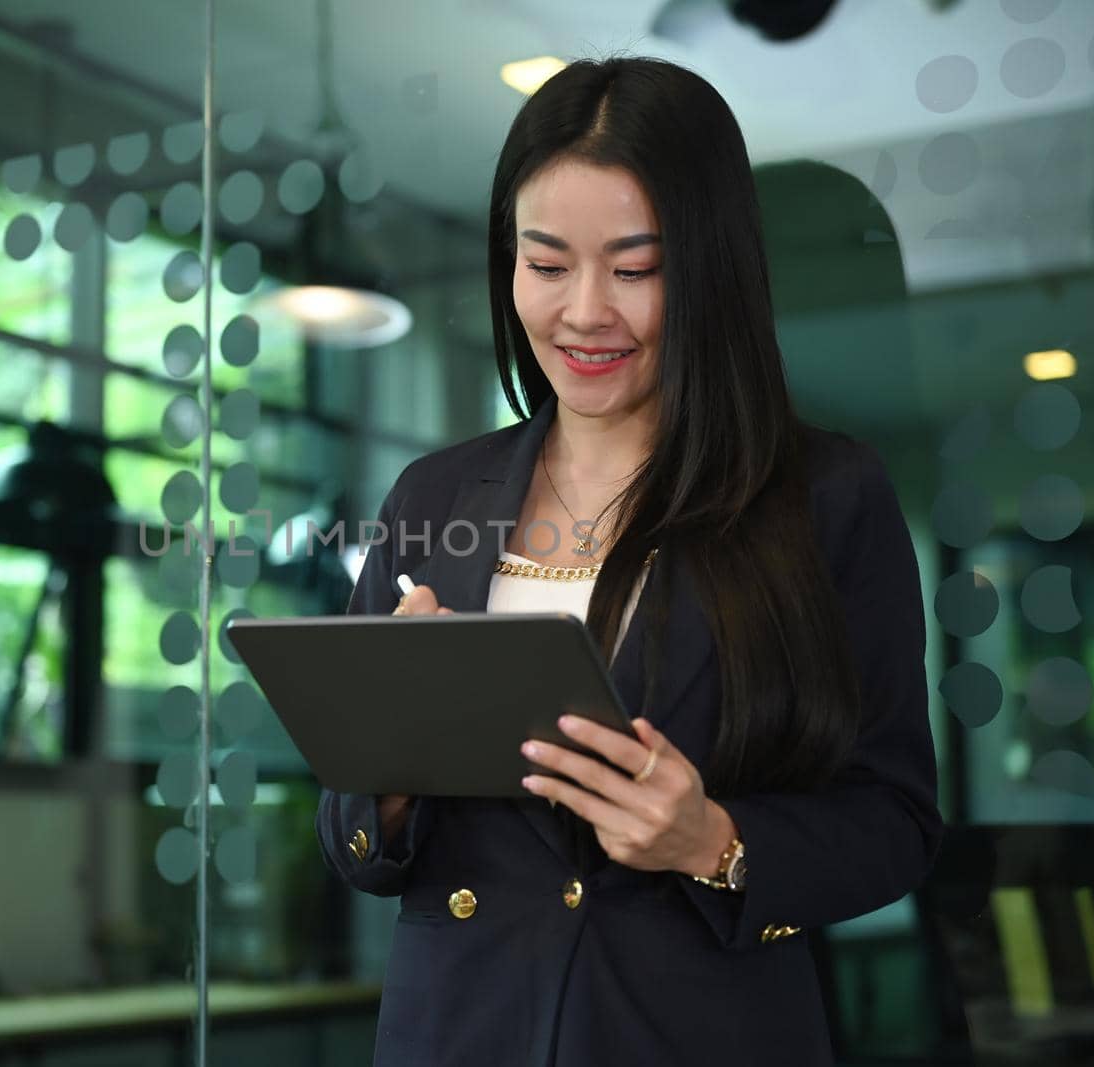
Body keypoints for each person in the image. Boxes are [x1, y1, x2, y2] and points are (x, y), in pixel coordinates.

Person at [314, 56, 942, 1066]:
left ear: (710, 269)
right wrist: (389, 768)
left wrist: (714, 840)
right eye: (547, 264)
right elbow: (359, 845)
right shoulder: (433, 497)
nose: (584, 312)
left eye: (636, 269)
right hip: (458, 1029)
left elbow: (896, 819)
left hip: (699, 1029)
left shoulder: (824, 496)